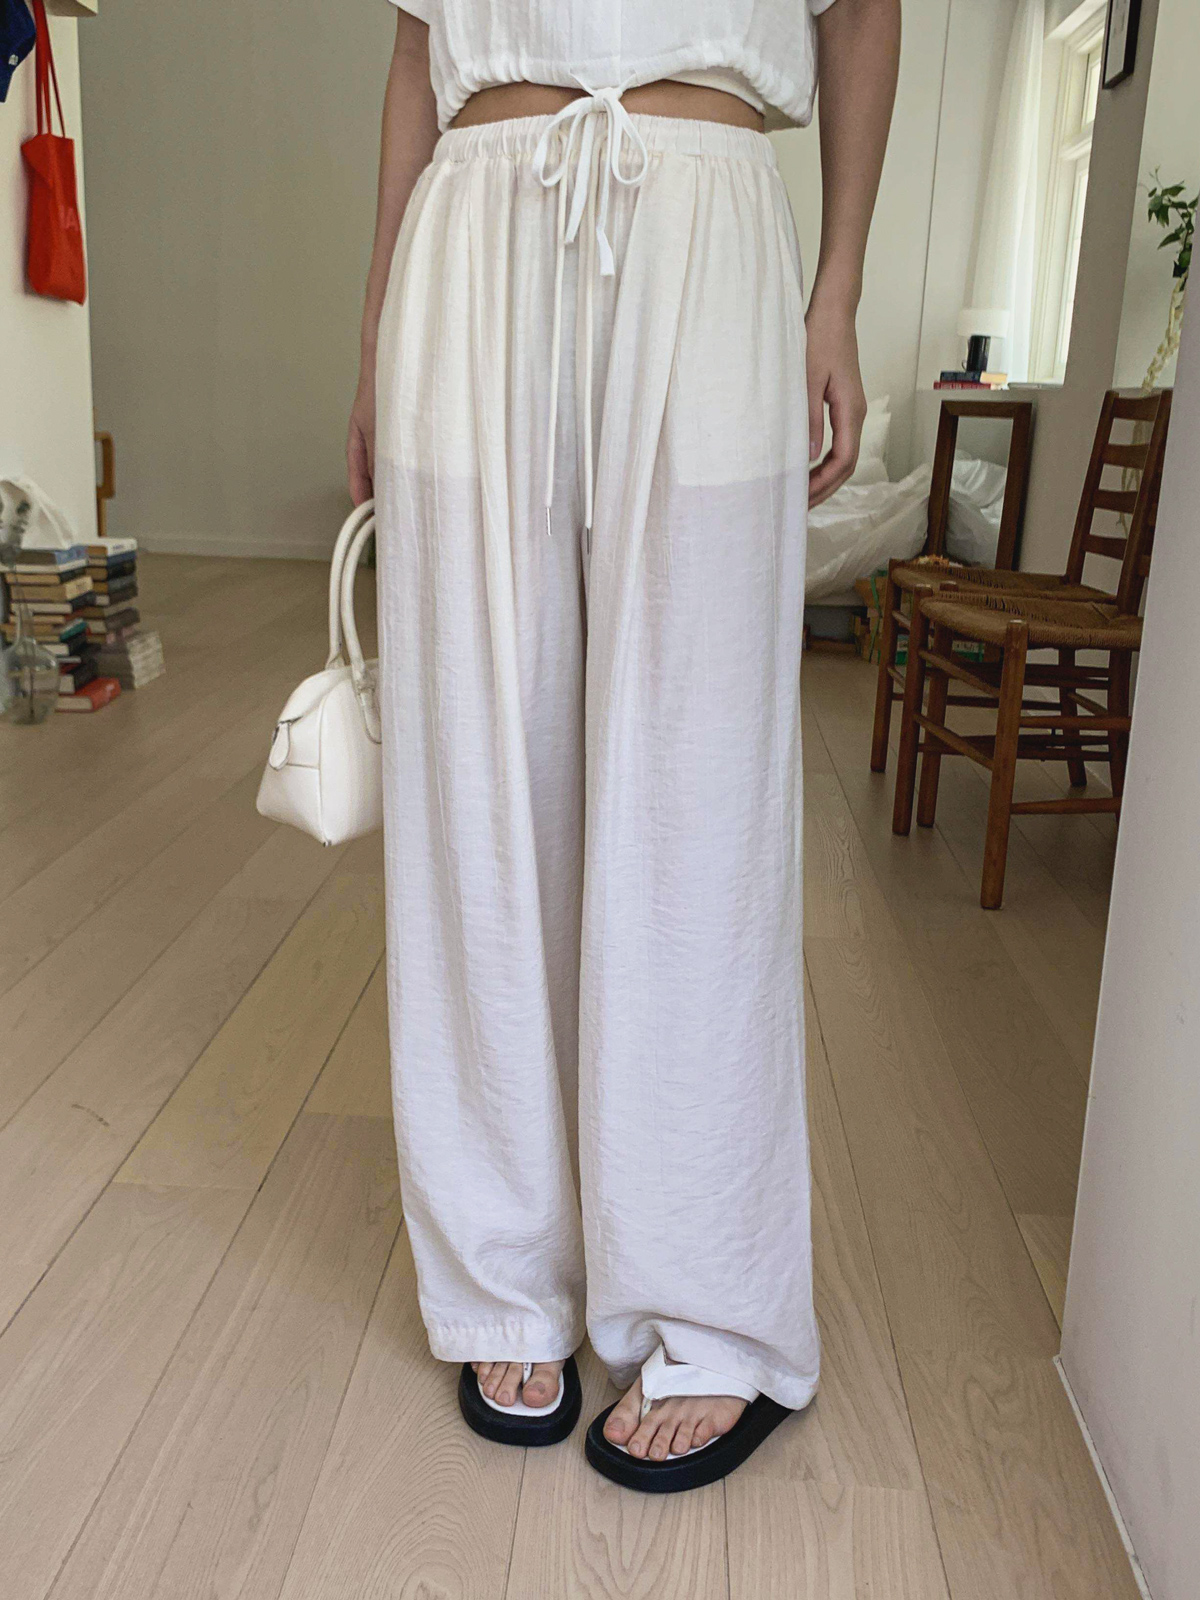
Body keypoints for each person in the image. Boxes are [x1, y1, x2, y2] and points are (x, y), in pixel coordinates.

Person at [348, 0, 899, 1492]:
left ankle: (708, 1299)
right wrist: (378, 323)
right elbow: (412, 49)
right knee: (476, 777)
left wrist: (838, 290)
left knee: (698, 786)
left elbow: (862, 11)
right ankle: (501, 1274)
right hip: (471, 230)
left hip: (706, 219)